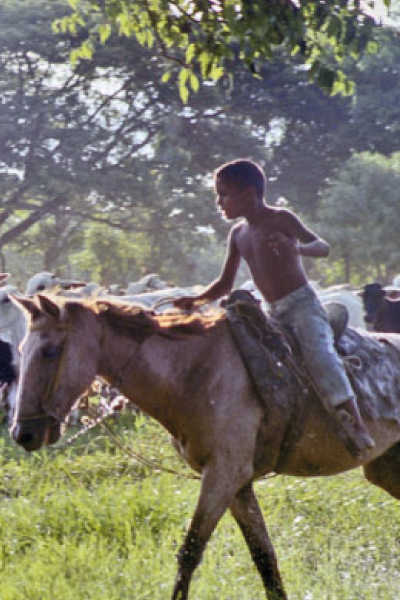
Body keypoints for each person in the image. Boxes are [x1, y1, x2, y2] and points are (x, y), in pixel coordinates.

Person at [174, 158, 375, 458]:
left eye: (225, 193)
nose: (219, 202)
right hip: (272, 311)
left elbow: (323, 247)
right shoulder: (238, 235)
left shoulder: (281, 219)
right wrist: (196, 300)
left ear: (249, 193)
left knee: (319, 355)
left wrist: (298, 248)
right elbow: (224, 284)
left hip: (302, 307)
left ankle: (356, 426)